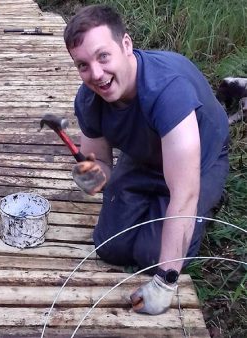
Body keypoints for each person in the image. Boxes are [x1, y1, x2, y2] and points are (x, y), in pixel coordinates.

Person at [64, 5, 229, 315]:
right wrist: (92, 173)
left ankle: (200, 210)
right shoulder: (88, 98)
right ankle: (153, 201)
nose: (96, 74)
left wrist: (165, 282)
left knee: (152, 255)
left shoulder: (167, 91)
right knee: (109, 246)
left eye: (103, 56)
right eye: (83, 65)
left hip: (200, 161)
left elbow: (185, 193)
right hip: (144, 157)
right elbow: (99, 161)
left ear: (126, 45)